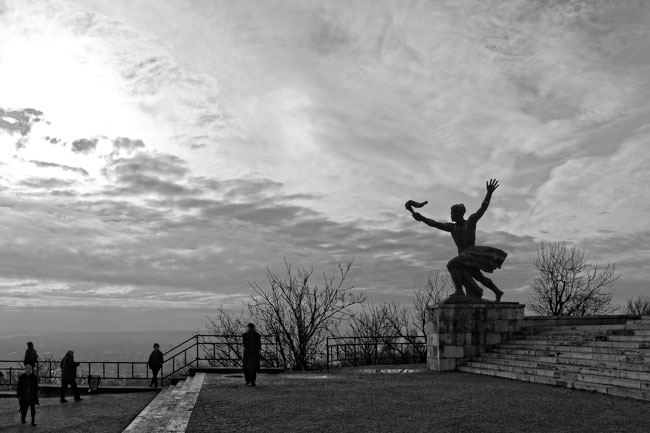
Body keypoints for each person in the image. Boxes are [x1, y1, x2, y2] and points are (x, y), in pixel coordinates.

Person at [408, 179, 507, 301]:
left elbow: (483, 208)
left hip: (471, 254)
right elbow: (434, 223)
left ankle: (459, 291)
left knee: (451, 265)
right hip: (464, 256)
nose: (451, 215)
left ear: (458, 214)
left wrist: (489, 193)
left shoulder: (470, 222)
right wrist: (421, 217)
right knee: (479, 277)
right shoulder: (451, 227)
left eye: (452, 213)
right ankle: (497, 291)